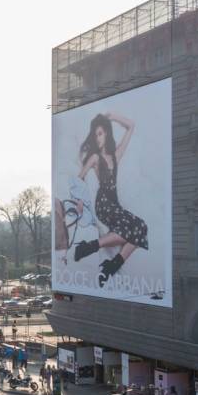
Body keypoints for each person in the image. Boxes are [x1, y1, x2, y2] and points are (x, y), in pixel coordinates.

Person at [71, 112, 147, 287]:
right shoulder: (95, 158)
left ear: (107, 133)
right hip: (103, 204)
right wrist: (80, 200)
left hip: (115, 204)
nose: (97, 138)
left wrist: (112, 117)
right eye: (95, 135)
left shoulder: (116, 155)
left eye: (100, 133)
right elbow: (79, 178)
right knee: (130, 229)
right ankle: (91, 248)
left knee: (141, 227)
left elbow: (131, 125)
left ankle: (110, 264)